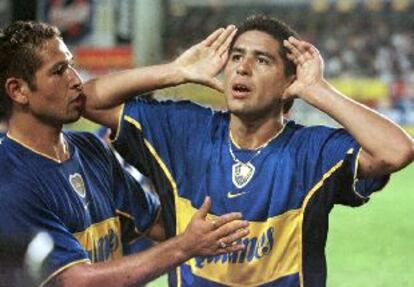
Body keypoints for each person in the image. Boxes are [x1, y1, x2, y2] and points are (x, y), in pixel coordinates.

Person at [84, 15, 414, 287]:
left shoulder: (312, 151)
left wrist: (320, 90)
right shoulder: (185, 131)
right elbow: (88, 100)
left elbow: (396, 151)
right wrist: (175, 72)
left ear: (289, 83)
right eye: (237, 56)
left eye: (262, 60)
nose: (242, 68)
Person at [0, 21, 250, 287]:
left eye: (70, 65)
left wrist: (176, 71)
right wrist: (185, 247)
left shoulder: (90, 149)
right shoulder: (8, 178)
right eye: (59, 71)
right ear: (18, 90)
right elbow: (76, 281)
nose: (75, 80)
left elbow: (159, 222)